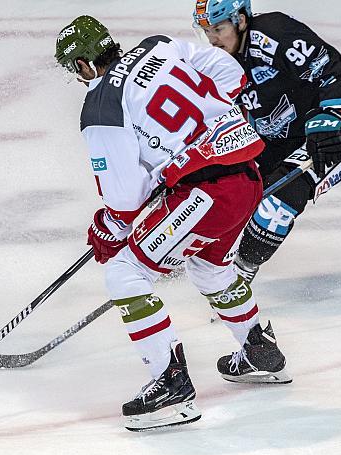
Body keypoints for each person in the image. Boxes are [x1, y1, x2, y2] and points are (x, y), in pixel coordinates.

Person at [55, 15, 291, 432]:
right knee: (210, 267)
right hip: (247, 176)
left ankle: (171, 384)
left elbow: (125, 198)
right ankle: (258, 348)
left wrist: (109, 227)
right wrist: (208, 127)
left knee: (125, 271)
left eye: (75, 69)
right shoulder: (157, 46)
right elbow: (229, 70)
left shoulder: (100, 106)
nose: (78, 79)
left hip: (208, 193)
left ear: (86, 65)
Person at [193, 0, 341, 282]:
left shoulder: (274, 35)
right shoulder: (223, 61)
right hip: (276, 140)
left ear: (240, 20)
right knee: (221, 188)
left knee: (276, 203)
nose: (212, 39)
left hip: (335, 136)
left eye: (218, 28)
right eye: (206, 31)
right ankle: (195, 254)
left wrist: (331, 116)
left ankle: (239, 277)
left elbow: (334, 72)